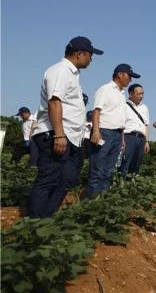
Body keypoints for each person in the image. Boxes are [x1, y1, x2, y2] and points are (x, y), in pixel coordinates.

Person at [27, 36, 103, 218]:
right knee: (49, 178)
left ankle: (46, 218)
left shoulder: (72, 74)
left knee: (67, 179)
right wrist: (59, 135)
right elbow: (54, 102)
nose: (91, 59)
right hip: (57, 134)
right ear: (79, 54)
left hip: (71, 137)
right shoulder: (60, 70)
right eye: (90, 55)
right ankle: (33, 225)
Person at [87, 64, 140, 197]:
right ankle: (92, 203)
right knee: (97, 169)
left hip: (117, 134)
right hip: (104, 132)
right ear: (120, 74)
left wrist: (121, 139)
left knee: (109, 171)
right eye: (129, 76)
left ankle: (103, 201)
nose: (130, 80)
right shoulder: (105, 90)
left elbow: (120, 119)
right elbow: (96, 111)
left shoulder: (121, 94)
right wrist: (96, 131)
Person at [119, 83, 150, 180]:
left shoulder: (144, 108)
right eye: (139, 94)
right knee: (125, 163)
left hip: (141, 139)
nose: (141, 96)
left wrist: (146, 141)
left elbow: (146, 125)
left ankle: (132, 187)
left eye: (143, 94)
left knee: (136, 165)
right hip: (129, 137)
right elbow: (121, 124)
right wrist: (122, 140)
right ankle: (120, 186)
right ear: (131, 94)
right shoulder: (124, 105)